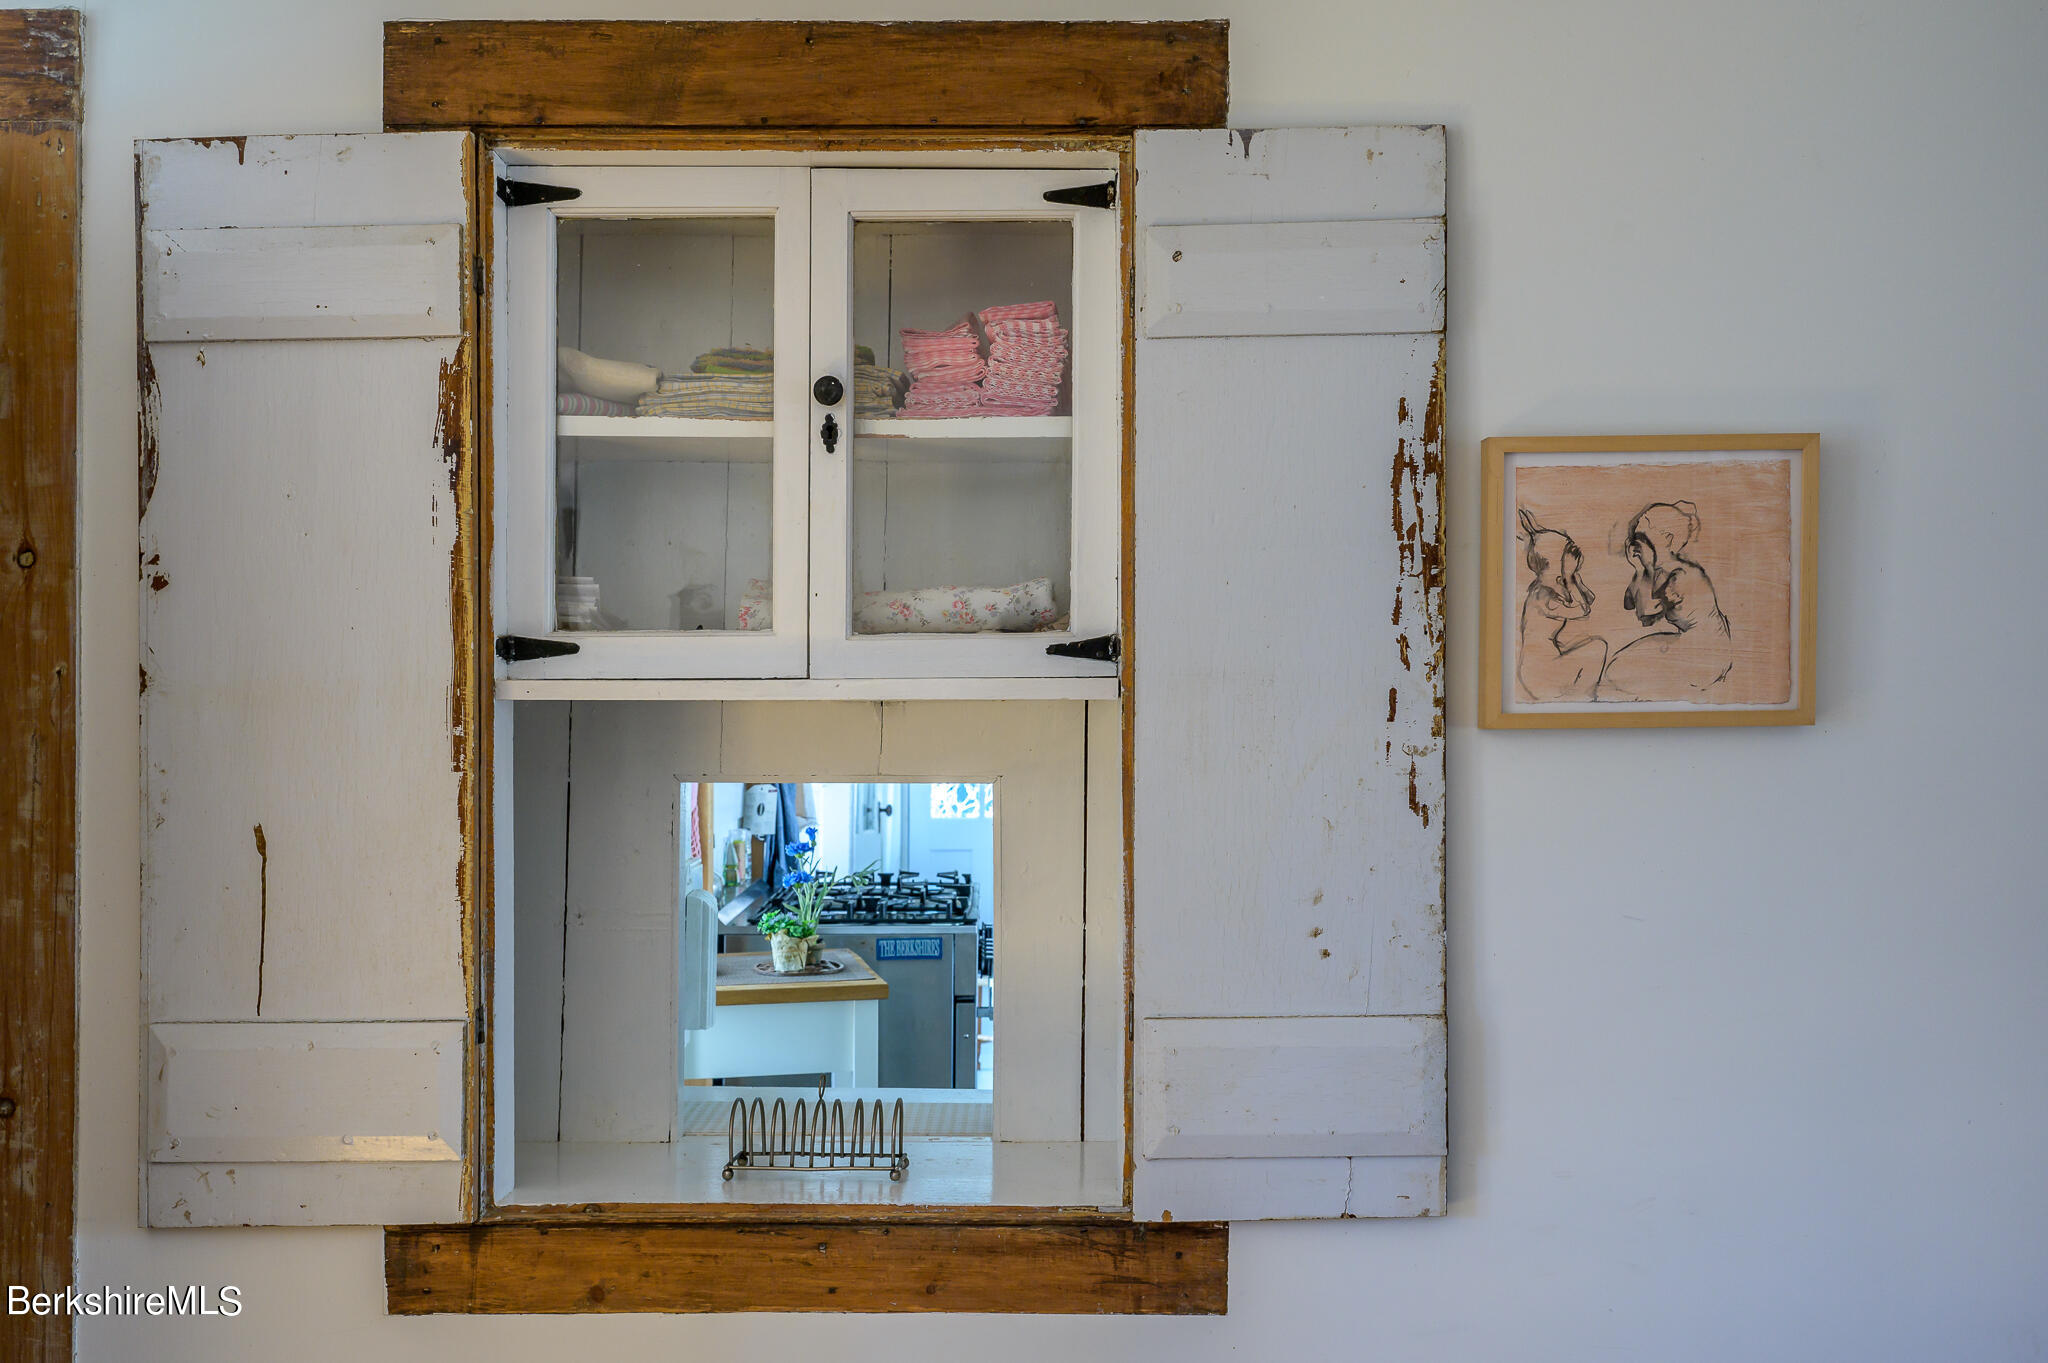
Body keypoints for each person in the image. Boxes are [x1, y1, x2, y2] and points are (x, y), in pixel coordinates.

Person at [1597, 500, 1733, 699]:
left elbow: (1645, 615)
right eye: (1636, 539)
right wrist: (1639, 571)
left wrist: (1639, 569)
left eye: (1643, 539)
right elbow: (1629, 603)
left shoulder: (1678, 575)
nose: (1636, 545)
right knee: (1616, 667)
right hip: (1695, 644)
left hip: (1709, 652)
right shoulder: (1657, 573)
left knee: (1618, 672)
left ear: (1666, 540)